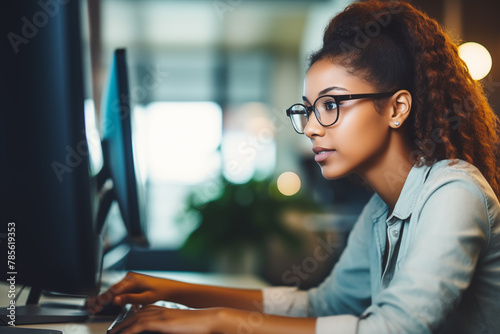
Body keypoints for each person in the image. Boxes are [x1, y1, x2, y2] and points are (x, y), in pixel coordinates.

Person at [87, 1, 500, 333]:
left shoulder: (454, 194)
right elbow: (323, 305)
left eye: (331, 106)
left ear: (396, 108)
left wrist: (219, 322)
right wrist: (169, 289)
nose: (311, 128)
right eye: (308, 110)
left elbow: (395, 327)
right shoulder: (381, 211)